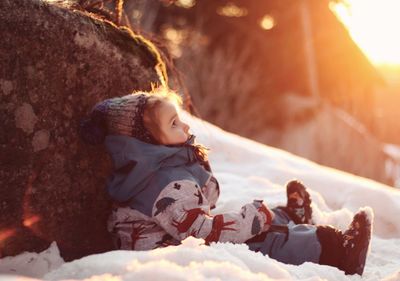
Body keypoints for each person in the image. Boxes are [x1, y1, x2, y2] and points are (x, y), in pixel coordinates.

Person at [79, 88, 373, 276]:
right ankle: (336, 251)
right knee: (260, 239)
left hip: (182, 237)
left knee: (255, 220)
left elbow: (197, 210)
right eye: (173, 125)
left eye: (180, 119)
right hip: (176, 256)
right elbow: (204, 232)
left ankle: (288, 215)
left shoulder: (160, 168)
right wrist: (252, 220)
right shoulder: (164, 185)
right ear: (145, 143)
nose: (185, 126)